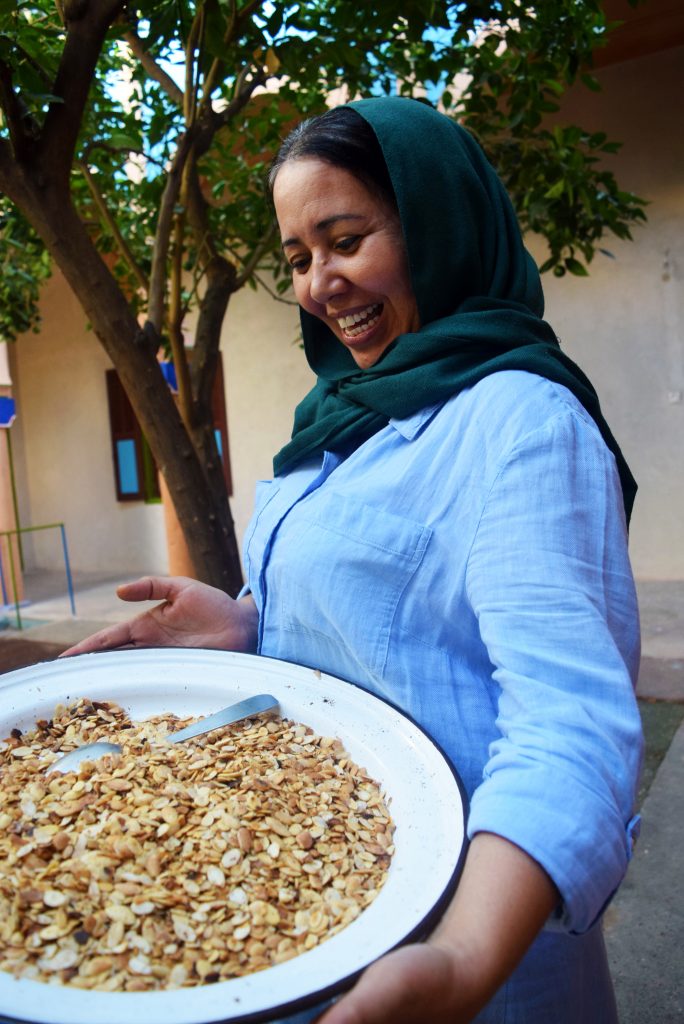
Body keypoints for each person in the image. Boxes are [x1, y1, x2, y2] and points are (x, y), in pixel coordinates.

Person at [66, 96, 643, 1023]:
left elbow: (570, 726)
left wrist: (459, 961)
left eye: (344, 239)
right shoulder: (349, 417)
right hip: (317, 900)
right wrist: (248, 619)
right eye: (297, 258)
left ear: (437, 225)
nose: (319, 283)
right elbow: (388, 617)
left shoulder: (520, 423)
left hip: (461, 948)